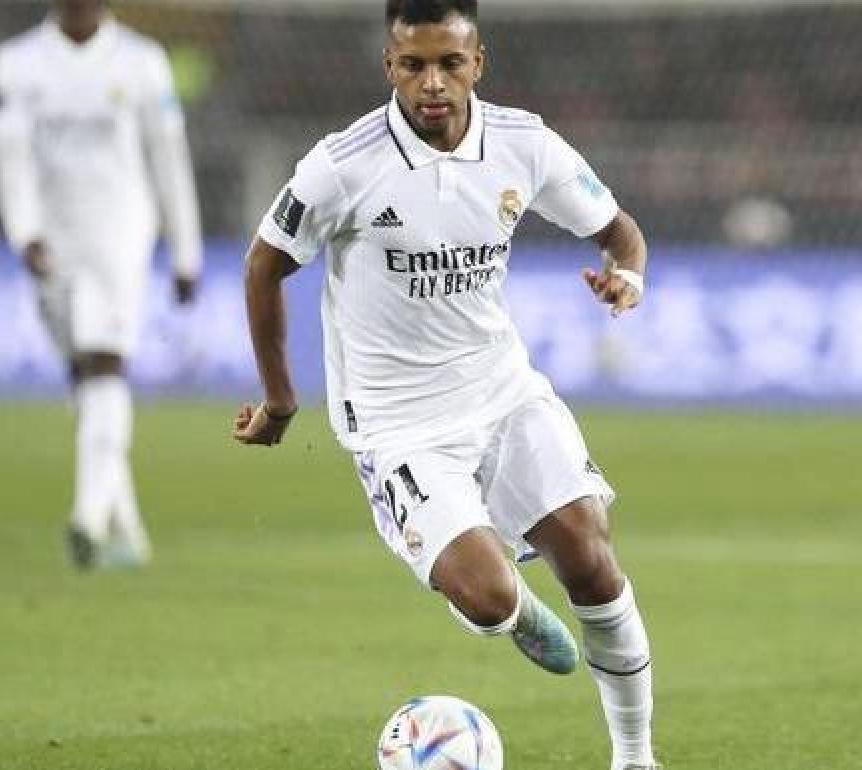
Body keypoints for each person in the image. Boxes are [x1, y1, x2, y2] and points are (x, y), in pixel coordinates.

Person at [233, 2, 659, 767]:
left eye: (450, 64)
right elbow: (265, 263)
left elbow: (618, 229)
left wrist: (627, 274)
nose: (432, 83)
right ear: (388, 66)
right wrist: (280, 398)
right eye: (413, 65)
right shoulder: (343, 164)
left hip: (501, 391)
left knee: (592, 558)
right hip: (399, 425)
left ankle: (635, 759)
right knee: (490, 596)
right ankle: (504, 605)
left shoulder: (523, 144)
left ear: (478, 64)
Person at [0, 0, 203, 570]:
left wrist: (186, 250)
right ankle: (124, 528)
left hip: (120, 236)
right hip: (54, 245)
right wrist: (25, 233)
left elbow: (169, 159)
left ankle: (86, 516)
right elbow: (11, 159)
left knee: (105, 365)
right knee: (84, 378)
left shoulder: (142, 62)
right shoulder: (16, 64)